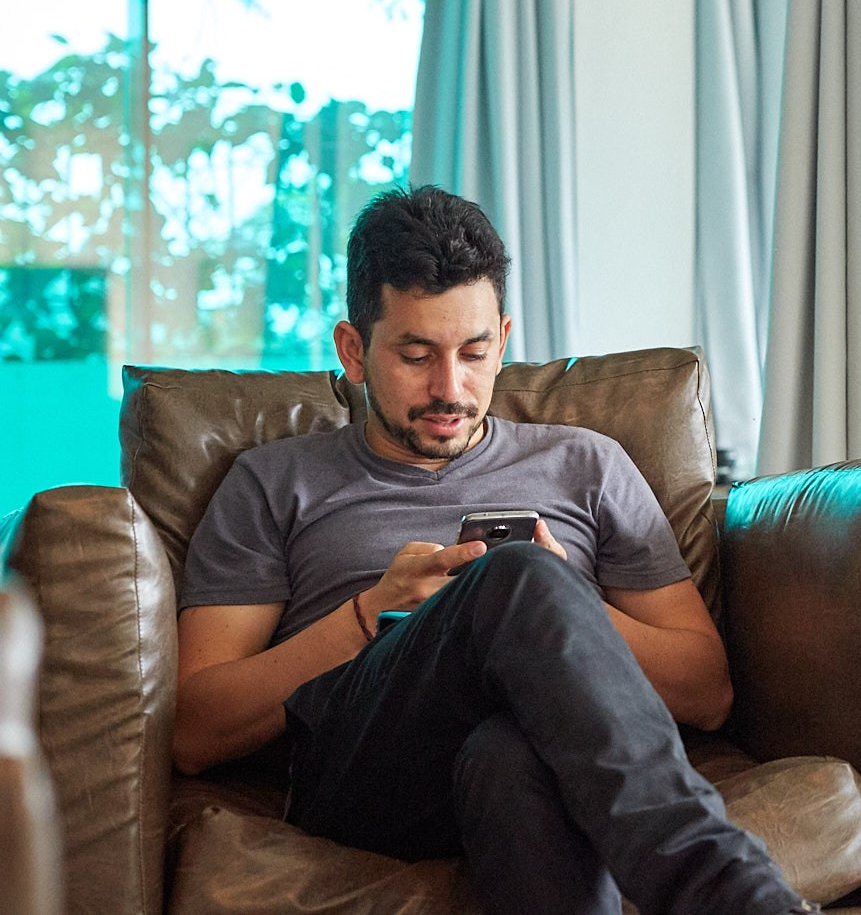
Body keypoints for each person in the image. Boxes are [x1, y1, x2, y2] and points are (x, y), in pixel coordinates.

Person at [171, 185, 806, 915]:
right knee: (514, 577)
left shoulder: (588, 465)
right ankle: (735, 896)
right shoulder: (272, 481)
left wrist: (571, 606)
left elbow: (706, 687)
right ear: (354, 349)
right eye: (415, 355)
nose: (450, 387)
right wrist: (369, 613)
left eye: (474, 353)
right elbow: (196, 727)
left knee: (511, 751)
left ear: (503, 340)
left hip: (522, 761)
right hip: (364, 771)